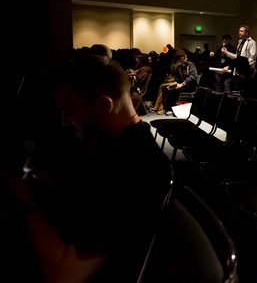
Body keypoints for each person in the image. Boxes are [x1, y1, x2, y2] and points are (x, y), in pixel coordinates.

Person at [0, 54, 171, 283]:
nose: (64, 122)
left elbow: (64, 275)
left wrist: (26, 197)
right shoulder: (114, 146)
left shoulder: (136, 168)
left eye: (68, 112)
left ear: (103, 105)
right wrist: (52, 182)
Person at [161, 49, 199, 115]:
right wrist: (174, 83)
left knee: (173, 91)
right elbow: (177, 78)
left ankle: (172, 108)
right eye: (183, 57)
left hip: (190, 86)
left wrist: (182, 84)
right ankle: (165, 108)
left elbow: (193, 77)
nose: (185, 58)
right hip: (182, 84)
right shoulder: (180, 67)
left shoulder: (191, 65)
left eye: (185, 57)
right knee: (165, 88)